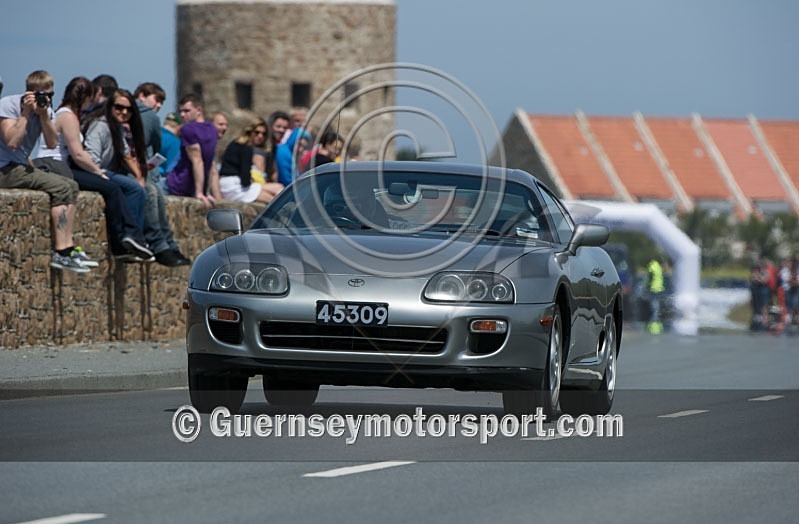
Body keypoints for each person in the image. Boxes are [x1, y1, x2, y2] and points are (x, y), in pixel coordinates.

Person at [33, 76, 153, 263]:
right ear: (86, 97)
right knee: (112, 188)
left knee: (117, 188)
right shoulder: (69, 116)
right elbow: (78, 154)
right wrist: (99, 173)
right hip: (57, 167)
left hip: (60, 166)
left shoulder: (67, 115)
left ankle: (130, 239)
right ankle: (123, 242)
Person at [0, 70, 91, 272]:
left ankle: (68, 247)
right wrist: (25, 113)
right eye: (40, 95)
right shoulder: (9, 105)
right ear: (28, 93)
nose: (45, 99)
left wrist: (44, 117)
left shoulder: (46, 111)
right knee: (59, 187)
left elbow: (51, 143)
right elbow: (12, 142)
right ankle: (59, 251)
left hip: (20, 166)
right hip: (5, 168)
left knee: (71, 186)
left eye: (50, 95)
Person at [133, 82, 191, 267]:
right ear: (142, 96)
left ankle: (167, 245)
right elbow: (155, 146)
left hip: (144, 174)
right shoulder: (148, 116)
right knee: (153, 192)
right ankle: (163, 245)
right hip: (141, 175)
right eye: (156, 100)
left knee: (155, 193)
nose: (158, 106)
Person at [165, 93, 221, 208]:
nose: (182, 115)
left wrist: (199, 192)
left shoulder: (188, 129)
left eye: (186, 111)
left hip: (178, 185)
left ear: (198, 110)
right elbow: (210, 163)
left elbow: (197, 160)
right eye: (181, 111)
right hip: (193, 186)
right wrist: (207, 192)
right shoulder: (212, 129)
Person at [218, 118, 284, 204]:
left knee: (277, 190)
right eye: (257, 132)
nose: (260, 136)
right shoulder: (246, 148)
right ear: (250, 132)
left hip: (231, 184)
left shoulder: (236, 143)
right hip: (234, 186)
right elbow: (245, 179)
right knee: (276, 194)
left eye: (263, 134)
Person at [646, 257, 665, 334]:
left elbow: (650, 277)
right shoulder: (658, 267)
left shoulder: (651, 266)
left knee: (653, 303)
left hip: (653, 287)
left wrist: (647, 286)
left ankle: (654, 317)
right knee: (656, 302)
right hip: (659, 287)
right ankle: (656, 315)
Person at [159, 112, 181, 177]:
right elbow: (171, 169)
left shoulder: (155, 133)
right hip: (159, 179)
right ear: (179, 127)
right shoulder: (174, 142)